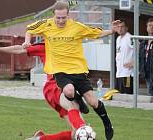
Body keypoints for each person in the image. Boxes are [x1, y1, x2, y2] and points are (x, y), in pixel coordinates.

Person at [22, 1, 120, 140]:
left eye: (63, 17)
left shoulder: (76, 26)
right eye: (58, 18)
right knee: (68, 91)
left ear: (68, 14)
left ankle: (107, 123)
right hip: (60, 71)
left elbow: (95, 33)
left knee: (93, 102)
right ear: (53, 15)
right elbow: (29, 29)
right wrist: (27, 41)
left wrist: (111, 31)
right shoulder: (46, 24)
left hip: (78, 70)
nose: (61, 20)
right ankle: (77, 99)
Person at [0, 43, 88, 140]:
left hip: (65, 89)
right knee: (74, 108)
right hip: (53, 87)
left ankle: (40, 139)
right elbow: (20, 49)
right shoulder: (46, 45)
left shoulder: (72, 46)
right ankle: (84, 131)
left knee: (75, 134)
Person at [115, 19, 133, 94]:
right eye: (118, 27)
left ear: (126, 28)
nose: (120, 29)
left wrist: (134, 62)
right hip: (119, 72)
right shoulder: (118, 39)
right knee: (120, 94)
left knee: (127, 94)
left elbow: (139, 49)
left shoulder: (130, 37)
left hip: (128, 73)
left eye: (122, 27)